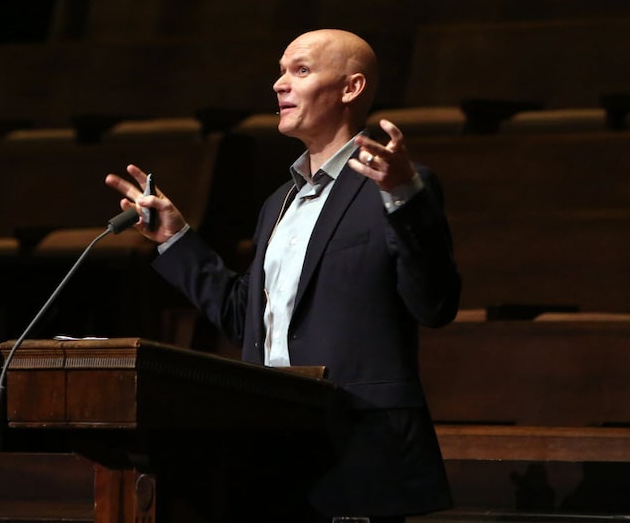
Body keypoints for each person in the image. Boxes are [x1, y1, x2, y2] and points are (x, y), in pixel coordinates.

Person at [106, 29, 461, 523]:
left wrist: (404, 200)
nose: (278, 85)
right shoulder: (279, 203)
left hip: (357, 449)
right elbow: (245, 320)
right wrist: (175, 238)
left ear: (351, 88)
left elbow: (435, 304)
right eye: (280, 71)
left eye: (300, 70)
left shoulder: (397, 189)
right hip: (269, 446)